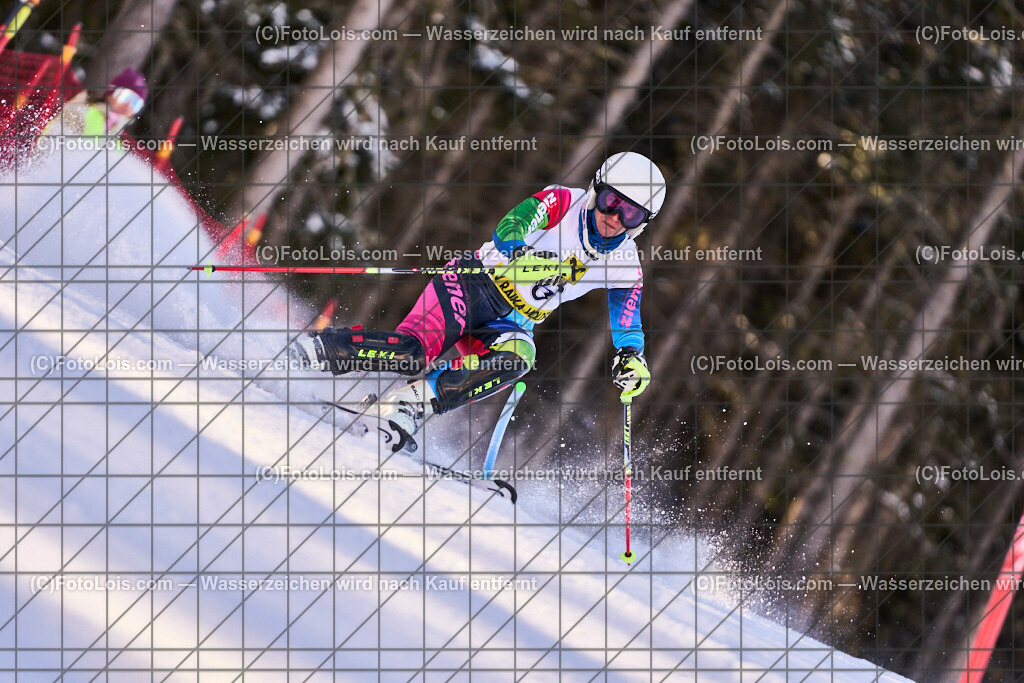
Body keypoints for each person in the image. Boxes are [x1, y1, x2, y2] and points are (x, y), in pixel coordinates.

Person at [291, 151, 667, 451]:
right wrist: (521, 255)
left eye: (629, 211)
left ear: (642, 222)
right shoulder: (563, 201)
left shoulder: (625, 267)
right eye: (610, 200)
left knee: (520, 358)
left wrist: (632, 358)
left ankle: (409, 404)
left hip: (513, 320)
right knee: (413, 353)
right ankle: (321, 348)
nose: (614, 217)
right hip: (472, 284)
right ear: (595, 190)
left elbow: (628, 321)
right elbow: (509, 227)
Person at [43, 67, 147, 138]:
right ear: (111, 92)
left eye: (135, 103)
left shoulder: (115, 135)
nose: (128, 105)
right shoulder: (81, 113)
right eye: (125, 96)